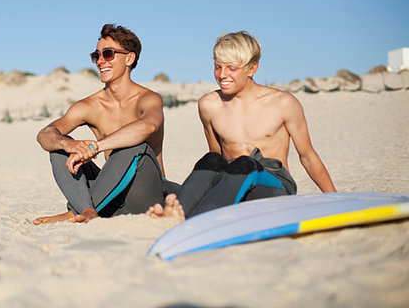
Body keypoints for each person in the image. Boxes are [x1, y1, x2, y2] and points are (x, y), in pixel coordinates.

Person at [147, 31, 337, 221]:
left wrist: (335, 198)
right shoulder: (209, 105)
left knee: (245, 162)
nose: (222, 75)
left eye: (231, 68)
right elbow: (217, 157)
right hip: (230, 184)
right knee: (211, 159)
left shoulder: (283, 103)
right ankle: (177, 212)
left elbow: (308, 156)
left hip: (272, 184)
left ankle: (199, 217)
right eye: (217, 67)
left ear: (252, 69)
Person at [34, 23, 177, 225]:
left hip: (146, 194)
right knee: (58, 146)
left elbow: (148, 126)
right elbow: (45, 134)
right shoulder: (90, 105)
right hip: (110, 199)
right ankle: (87, 210)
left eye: (108, 54)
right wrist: (69, 145)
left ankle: (73, 212)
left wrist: (95, 147)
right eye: (96, 55)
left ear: (129, 58)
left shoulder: (148, 98)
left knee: (133, 145)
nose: (100, 61)